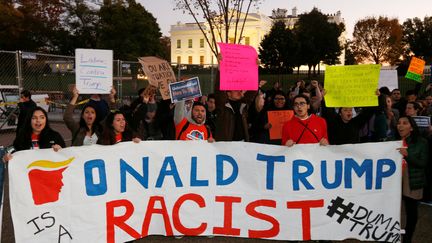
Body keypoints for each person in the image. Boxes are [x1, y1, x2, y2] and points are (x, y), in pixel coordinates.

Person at [396, 116, 429, 243]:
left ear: (412, 127)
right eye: (399, 123)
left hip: (412, 181)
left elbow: (423, 163)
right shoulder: (393, 141)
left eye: (404, 123)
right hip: (396, 181)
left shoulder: (422, 142)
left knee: (411, 212)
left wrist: (408, 156)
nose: (400, 125)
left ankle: (407, 238)